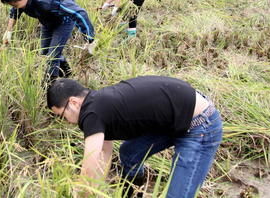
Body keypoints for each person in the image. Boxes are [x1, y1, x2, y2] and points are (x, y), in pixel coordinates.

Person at [47, 76, 222, 198]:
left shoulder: (91, 114)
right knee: (130, 152)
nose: (66, 121)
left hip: (200, 126)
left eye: (62, 115)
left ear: (74, 103)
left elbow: (89, 167)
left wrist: (80, 194)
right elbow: (102, 156)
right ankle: (131, 192)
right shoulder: (99, 103)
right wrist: (95, 190)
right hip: (176, 117)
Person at [0, 0, 95, 83]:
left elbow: (79, 13)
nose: (15, 7)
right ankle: (67, 72)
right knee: (45, 53)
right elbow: (15, 10)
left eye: (16, 5)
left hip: (64, 20)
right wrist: (8, 31)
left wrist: (90, 39)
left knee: (52, 57)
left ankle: (51, 85)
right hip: (46, 19)